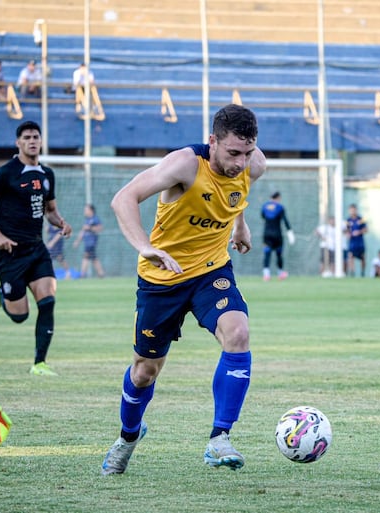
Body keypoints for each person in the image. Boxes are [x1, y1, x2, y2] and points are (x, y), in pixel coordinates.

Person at [102, 104, 265, 476]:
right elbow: (123, 198)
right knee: (145, 372)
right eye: (232, 153)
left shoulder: (254, 164)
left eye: (247, 152)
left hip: (211, 270)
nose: (241, 162)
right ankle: (128, 436)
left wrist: (239, 225)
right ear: (213, 142)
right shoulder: (185, 165)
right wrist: (145, 246)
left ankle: (219, 438)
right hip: (163, 278)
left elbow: (238, 191)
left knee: (238, 332)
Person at [0, 120, 72, 376]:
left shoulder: (47, 175)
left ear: (41, 141)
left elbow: (50, 211)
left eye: (36, 137)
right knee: (20, 316)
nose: (32, 141)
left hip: (37, 249)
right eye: (27, 137)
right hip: (10, 253)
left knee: (48, 301)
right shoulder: (7, 172)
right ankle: (2, 290)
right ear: (18, 142)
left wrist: (60, 222)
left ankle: (39, 363)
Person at [260, 191, 293, 281]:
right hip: (277, 234)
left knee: (267, 253)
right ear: (278, 198)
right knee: (279, 254)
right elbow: (285, 220)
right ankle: (280, 273)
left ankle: (266, 275)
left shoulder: (264, 206)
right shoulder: (280, 207)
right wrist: (290, 232)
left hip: (266, 234)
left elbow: (262, 216)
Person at [73, 203, 105, 278]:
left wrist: (90, 228)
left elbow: (100, 228)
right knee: (93, 258)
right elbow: (83, 231)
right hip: (87, 242)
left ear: (91, 211)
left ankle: (82, 274)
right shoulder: (87, 220)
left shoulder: (95, 219)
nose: (85, 211)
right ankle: (101, 273)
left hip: (92, 242)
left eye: (86, 210)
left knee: (86, 256)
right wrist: (77, 241)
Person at [345, 204, 367, 277]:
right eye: (351, 210)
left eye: (353, 210)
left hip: (360, 242)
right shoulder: (348, 220)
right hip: (352, 242)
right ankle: (352, 272)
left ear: (356, 210)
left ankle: (362, 272)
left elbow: (366, 229)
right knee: (351, 256)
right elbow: (347, 230)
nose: (352, 211)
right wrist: (348, 234)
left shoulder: (361, 219)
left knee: (362, 257)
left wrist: (359, 232)